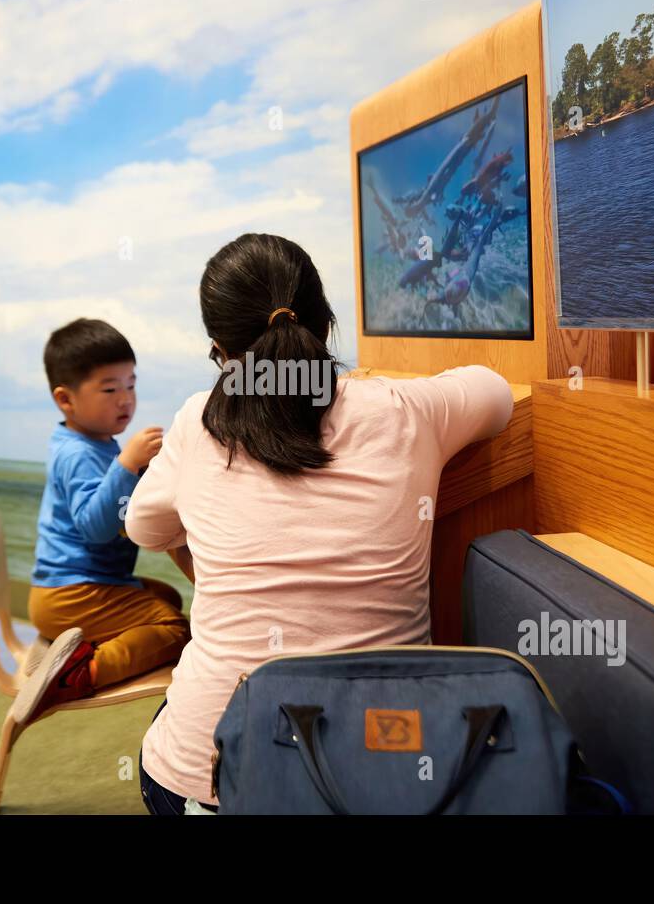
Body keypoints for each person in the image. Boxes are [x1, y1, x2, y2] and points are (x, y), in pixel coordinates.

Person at [125, 232, 515, 814]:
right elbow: (498, 392)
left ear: (219, 350)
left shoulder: (197, 423)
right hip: (385, 779)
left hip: (213, 787)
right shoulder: (406, 410)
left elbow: (144, 530)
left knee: (171, 722)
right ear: (324, 323)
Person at [12, 318, 190, 728]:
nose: (125, 399)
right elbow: (95, 527)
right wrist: (127, 463)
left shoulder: (93, 444)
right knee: (175, 628)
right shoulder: (77, 454)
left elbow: (120, 504)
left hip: (73, 589)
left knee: (167, 596)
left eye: (131, 384)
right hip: (72, 593)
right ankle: (76, 673)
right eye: (110, 389)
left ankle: (66, 649)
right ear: (65, 399)